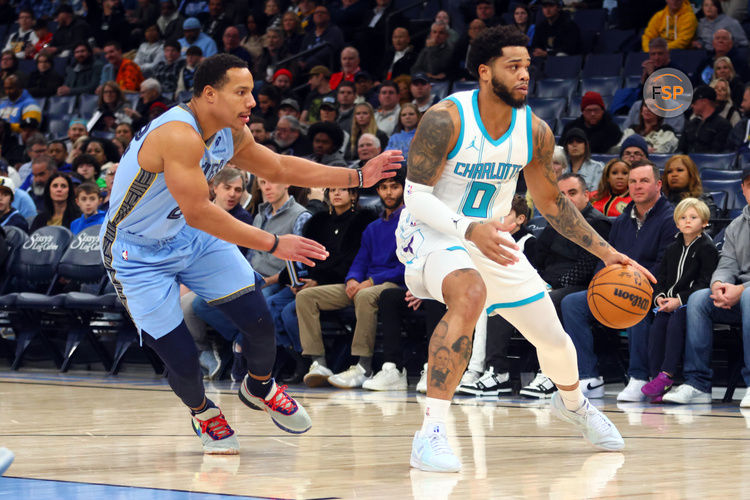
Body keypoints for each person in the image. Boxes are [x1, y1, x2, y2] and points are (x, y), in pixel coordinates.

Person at [98, 53, 402, 454]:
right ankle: (204, 412)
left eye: (252, 92)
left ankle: (258, 386)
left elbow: (279, 167)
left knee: (259, 321)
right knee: (183, 359)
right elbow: (200, 210)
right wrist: (275, 243)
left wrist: (359, 175)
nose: (252, 102)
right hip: (136, 252)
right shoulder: (177, 133)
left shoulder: (229, 132)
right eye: (240, 92)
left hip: (187, 236)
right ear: (209, 95)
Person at [395, 26, 647, 472]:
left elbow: (551, 203)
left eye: (527, 66)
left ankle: (572, 405)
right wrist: (468, 229)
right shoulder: (445, 119)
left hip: (490, 239)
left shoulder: (535, 131)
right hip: (431, 231)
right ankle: (430, 432)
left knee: (553, 339)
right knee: (469, 292)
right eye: (513, 66)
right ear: (484, 71)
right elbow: (414, 196)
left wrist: (607, 253)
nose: (525, 74)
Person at [561, 161, 677, 402]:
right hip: (615, 287)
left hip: (654, 289)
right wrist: (598, 285)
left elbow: (666, 265)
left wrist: (633, 283)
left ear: (658, 184)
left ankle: (639, 377)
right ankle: (588, 377)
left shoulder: (670, 218)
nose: (637, 186)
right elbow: (605, 259)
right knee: (572, 303)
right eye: (633, 181)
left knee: (634, 303)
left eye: (644, 181)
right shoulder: (622, 220)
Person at [298, 174, 405, 389]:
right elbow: (360, 259)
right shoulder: (373, 227)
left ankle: (363, 366)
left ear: (403, 189)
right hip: (366, 283)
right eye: (384, 187)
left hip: (394, 283)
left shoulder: (409, 222)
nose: (389, 192)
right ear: (377, 192)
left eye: (394, 187)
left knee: (365, 295)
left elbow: (407, 266)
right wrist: (352, 279)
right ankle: (318, 363)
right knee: (306, 296)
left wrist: (371, 281)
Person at [268, 186, 376, 384]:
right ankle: (307, 361)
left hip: (343, 282)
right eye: (332, 190)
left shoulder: (363, 220)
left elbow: (352, 260)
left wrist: (318, 280)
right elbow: (303, 256)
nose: (336, 193)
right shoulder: (318, 221)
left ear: (353, 195)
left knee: (289, 312)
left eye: (342, 190)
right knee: (272, 304)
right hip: (311, 282)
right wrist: (294, 280)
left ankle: (308, 361)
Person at [665, 167, 750, 405]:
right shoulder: (736, 226)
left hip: (745, 294)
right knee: (699, 298)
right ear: (742, 189)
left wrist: (741, 290)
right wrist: (719, 285)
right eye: (749, 185)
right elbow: (726, 264)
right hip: (737, 294)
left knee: (749, 297)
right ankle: (698, 384)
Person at [458, 194, 540, 397]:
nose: (497, 219)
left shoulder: (529, 243)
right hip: (492, 294)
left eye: (504, 214)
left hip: (519, 296)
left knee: (488, 308)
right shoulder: (487, 242)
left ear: (520, 219)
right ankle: (471, 369)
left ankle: (479, 369)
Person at [641, 198, 718, 402]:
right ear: (676, 223)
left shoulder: (707, 248)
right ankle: (655, 378)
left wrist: (679, 299)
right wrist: (659, 297)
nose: (687, 221)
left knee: (675, 323)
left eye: (693, 217)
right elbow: (661, 278)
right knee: (658, 326)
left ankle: (667, 375)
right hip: (668, 304)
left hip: (689, 303)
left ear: (705, 222)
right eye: (683, 218)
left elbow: (705, 282)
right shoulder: (672, 248)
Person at [661, 155, 718, 220]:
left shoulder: (704, 202)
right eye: (669, 172)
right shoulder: (660, 202)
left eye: (679, 170)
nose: (674, 174)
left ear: (691, 175)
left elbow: (708, 229)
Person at [677, 85, 732, 153]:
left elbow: (717, 153)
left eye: (694, 102)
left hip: (709, 162)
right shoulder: (691, 124)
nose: (692, 105)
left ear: (704, 101)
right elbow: (680, 149)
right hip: (687, 162)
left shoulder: (723, 126)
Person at [560, 128, 604, 192]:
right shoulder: (560, 169)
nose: (574, 145)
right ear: (566, 147)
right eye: (570, 142)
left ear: (585, 145)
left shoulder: (598, 167)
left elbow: (595, 195)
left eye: (579, 141)